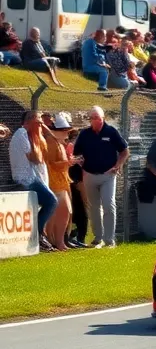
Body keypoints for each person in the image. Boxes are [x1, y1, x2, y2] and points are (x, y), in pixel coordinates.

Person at [72, 106, 129, 248]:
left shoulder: (111, 131)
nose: (96, 120)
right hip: (89, 174)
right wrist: (79, 160)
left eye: (99, 117)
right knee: (94, 207)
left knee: (109, 204)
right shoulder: (85, 134)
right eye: (93, 118)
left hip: (108, 175)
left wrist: (118, 165)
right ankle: (98, 238)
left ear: (103, 118)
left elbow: (124, 151)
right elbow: (76, 152)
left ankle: (109, 240)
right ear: (90, 120)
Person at [7, 110, 58, 251]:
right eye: (38, 123)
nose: (40, 126)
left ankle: (38, 233)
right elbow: (35, 158)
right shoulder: (22, 134)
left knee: (49, 202)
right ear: (30, 122)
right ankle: (37, 234)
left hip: (31, 177)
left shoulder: (25, 135)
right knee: (51, 201)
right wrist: (39, 138)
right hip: (25, 179)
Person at [44, 113, 81, 251]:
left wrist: (68, 162)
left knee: (63, 212)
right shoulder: (52, 142)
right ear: (56, 131)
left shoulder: (58, 142)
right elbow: (52, 163)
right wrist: (68, 162)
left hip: (61, 180)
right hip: (55, 181)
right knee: (63, 211)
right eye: (64, 130)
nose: (66, 133)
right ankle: (56, 241)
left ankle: (59, 241)